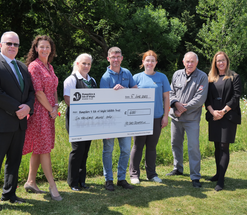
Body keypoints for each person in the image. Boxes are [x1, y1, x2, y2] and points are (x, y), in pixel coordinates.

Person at [0, 31, 35, 212]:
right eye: (9, 43)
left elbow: (31, 92)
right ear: (0, 45)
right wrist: (19, 109)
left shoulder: (22, 67)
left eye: (16, 44)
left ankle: (9, 194)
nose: (12, 47)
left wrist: (28, 107)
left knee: (14, 161)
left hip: (18, 123)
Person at [22, 35, 62, 201]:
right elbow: (38, 92)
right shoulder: (34, 66)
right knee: (44, 149)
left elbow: (53, 89)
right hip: (39, 113)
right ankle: (53, 186)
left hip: (50, 112)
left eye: (47, 46)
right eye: (41, 47)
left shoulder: (50, 67)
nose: (45, 49)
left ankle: (31, 181)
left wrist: (56, 106)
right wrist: (50, 109)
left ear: (51, 49)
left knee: (40, 148)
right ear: (36, 49)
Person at [166, 51, 208, 188]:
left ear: (197, 63)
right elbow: (171, 92)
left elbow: (200, 99)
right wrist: (176, 105)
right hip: (175, 117)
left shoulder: (202, 77)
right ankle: (178, 168)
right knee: (175, 143)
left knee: (193, 147)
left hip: (191, 119)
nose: (189, 64)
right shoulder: (176, 74)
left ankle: (195, 176)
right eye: (187, 61)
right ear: (183, 62)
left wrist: (183, 108)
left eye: (192, 62)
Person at [129, 50, 171, 184]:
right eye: (147, 60)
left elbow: (166, 98)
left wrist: (165, 116)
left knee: (152, 147)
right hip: (140, 118)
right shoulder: (136, 77)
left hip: (157, 117)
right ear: (143, 62)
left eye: (152, 61)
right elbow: (129, 97)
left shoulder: (162, 77)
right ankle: (134, 174)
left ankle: (151, 174)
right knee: (138, 146)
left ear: (156, 63)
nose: (150, 63)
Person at [100, 46, 137, 191]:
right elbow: (103, 100)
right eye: (113, 57)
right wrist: (112, 92)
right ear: (108, 59)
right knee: (108, 150)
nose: (115, 59)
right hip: (110, 120)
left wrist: (125, 90)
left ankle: (121, 178)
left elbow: (135, 90)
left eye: (118, 57)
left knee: (126, 149)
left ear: (121, 58)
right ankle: (108, 179)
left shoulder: (127, 72)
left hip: (125, 120)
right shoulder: (105, 77)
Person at [205, 51, 241, 191]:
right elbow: (206, 98)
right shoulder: (210, 78)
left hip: (228, 116)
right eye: (218, 61)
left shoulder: (234, 77)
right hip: (214, 116)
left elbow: (236, 96)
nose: (220, 63)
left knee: (223, 147)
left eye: (223, 60)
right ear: (215, 63)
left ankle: (221, 180)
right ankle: (217, 173)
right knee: (216, 146)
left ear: (227, 61)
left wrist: (224, 111)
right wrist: (213, 112)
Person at [63, 53, 97, 191]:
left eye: (89, 64)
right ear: (77, 64)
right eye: (84, 63)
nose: (87, 66)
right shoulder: (71, 80)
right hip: (76, 120)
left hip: (89, 120)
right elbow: (67, 99)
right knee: (77, 150)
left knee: (85, 150)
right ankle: (73, 182)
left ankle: (82, 181)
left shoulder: (92, 80)